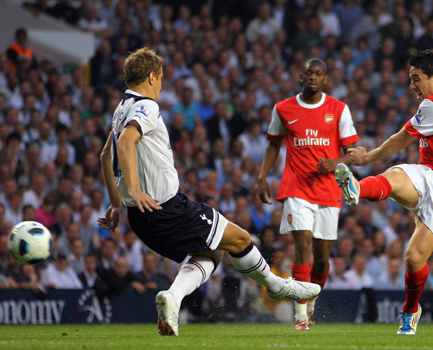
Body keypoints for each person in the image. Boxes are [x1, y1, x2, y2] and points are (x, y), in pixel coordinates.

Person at [97, 48, 320, 337]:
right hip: (166, 208)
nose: (161, 84)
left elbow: (105, 154)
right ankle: (277, 287)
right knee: (239, 238)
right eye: (161, 78)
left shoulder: (120, 109)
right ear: (152, 76)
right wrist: (135, 189)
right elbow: (126, 142)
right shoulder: (146, 106)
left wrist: (117, 204)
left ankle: (173, 298)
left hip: (141, 218)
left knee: (212, 252)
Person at [334, 49, 433, 335]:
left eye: (416, 79)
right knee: (396, 176)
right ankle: (355, 187)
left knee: (414, 258)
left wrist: (366, 158)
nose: (412, 86)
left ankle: (410, 310)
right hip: (430, 173)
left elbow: (400, 138)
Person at [258, 58, 359, 331]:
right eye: (309, 73)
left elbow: (354, 152)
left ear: (326, 79)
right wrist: (262, 176)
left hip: (328, 191)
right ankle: (300, 314)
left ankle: (311, 299)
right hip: (296, 187)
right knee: (301, 244)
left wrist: (336, 162)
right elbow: (273, 144)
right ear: (301, 75)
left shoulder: (339, 109)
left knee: (322, 258)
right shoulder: (283, 108)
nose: (313, 77)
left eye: (319, 74)